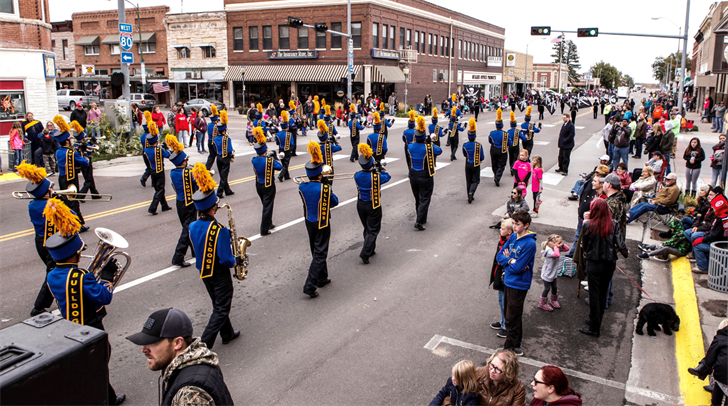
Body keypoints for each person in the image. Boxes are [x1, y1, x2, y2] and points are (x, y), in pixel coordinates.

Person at [43, 198, 125, 406]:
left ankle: (110, 397)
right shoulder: (82, 277)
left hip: (69, 325)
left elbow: (75, 287)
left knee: (88, 365)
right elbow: (104, 296)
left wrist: (91, 277)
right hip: (91, 326)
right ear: (75, 254)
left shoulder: (52, 276)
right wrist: (106, 277)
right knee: (99, 363)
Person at [126, 308, 234, 406]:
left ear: (177, 343)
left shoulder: (190, 394)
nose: (144, 349)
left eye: (152, 343)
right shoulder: (197, 362)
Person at [189, 164, 241, 348]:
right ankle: (203, 345)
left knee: (217, 303)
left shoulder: (192, 226)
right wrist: (237, 261)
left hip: (204, 271)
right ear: (213, 207)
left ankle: (227, 333)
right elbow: (226, 259)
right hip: (219, 273)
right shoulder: (220, 230)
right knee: (221, 307)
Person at [579, 199, 628, 337]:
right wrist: (625, 254)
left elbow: (586, 246)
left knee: (594, 294)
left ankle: (594, 327)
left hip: (594, 262)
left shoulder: (588, 225)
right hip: (609, 263)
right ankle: (596, 320)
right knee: (602, 293)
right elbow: (620, 244)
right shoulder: (613, 224)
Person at [16, 162, 58, 316]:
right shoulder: (51, 205)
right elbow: (73, 219)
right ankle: (39, 307)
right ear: (47, 192)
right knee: (54, 273)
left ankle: (62, 296)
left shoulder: (33, 204)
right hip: (51, 243)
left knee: (57, 271)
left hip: (40, 241)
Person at [299, 141, 339, 298]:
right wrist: (327, 186)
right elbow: (335, 202)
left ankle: (322, 277)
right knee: (320, 253)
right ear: (320, 174)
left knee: (315, 249)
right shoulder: (325, 188)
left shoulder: (301, 187)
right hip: (322, 222)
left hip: (309, 221)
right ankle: (310, 285)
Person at [495, 210, 536, 356]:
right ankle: (516, 344)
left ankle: (509, 348)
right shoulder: (513, 236)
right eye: (513, 223)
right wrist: (510, 261)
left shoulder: (530, 243)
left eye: (517, 224)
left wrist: (509, 263)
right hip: (509, 281)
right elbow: (500, 256)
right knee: (510, 314)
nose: (514, 226)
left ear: (526, 225)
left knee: (512, 317)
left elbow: (519, 268)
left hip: (519, 284)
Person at [354, 143, 391, 264]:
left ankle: (370, 249)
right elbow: (387, 176)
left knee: (367, 228)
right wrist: (381, 168)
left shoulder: (357, 175)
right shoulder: (376, 177)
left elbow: (365, 175)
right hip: (373, 205)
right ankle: (365, 252)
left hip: (360, 204)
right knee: (374, 229)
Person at [53, 115, 89, 232]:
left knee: (67, 201)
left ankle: (74, 223)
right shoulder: (72, 153)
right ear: (67, 141)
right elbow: (84, 163)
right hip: (71, 179)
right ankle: (76, 225)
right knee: (73, 203)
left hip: (62, 178)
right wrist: (84, 156)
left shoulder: (58, 151)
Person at [408, 116, 442, 231]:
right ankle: (419, 220)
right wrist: (430, 142)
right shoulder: (428, 147)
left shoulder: (410, 146)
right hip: (425, 175)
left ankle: (421, 217)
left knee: (418, 198)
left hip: (413, 175)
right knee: (425, 198)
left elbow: (412, 145)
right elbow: (439, 151)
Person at [167, 135, 196, 268]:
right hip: (189, 203)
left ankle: (195, 250)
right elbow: (196, 185)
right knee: (187, 230)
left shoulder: (173, 173)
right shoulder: (188, 173)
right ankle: (178, 256)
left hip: (179, 203)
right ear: (183, 162)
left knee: (188, 229)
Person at [252, 127, 282, 236]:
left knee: (266, 205)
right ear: (265, 150)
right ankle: (264, 229)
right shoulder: (269, 160)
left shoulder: (254, 160)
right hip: (268, 185)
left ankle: (269, 223)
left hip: (258, 185)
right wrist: (275, 157)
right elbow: (279, 167)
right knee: (267, 206)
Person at [692, 187, 728, 274]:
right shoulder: (720, 216)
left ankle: (703, 267)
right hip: (716, 241)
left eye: (714, 206)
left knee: (698, 246)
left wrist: (703, 239)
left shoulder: (721, 219)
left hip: (719, 245)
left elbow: (715, 235)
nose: (712, 208)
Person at [143, 117, 172, 215]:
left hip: (152, 170)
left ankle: (164, 205)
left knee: (158, 189)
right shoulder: (159, 149)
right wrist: (166, 149)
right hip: (159, 170)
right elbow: (168, 155)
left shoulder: (146, 151)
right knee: (160, 189)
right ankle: (153, 207)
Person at [490, 219, 513, 338]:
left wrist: (505, 259)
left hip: (506, 277)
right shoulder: (503, 240)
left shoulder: (509, 243)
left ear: (509, 232)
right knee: (501, 301)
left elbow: (504, 260)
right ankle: (503, 321)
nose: (500, 230)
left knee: (505, 303)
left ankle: (506, 326)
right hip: (500, 274)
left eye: (502, 228)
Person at [69, 120, 100, 201]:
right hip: (86, 162)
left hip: (83, 163)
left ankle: (94, 194)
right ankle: (81, 195)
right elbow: (93, 150)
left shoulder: (77, 144)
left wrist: (92, 142)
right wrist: (95, 143)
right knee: (88, 179)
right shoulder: (83, 145)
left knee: (90, 178)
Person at [539, 235, 568, 311]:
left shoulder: (556, 248)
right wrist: (556, 247)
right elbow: (557, 255)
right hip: (547, 273)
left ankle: (554, 300)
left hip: (553, 273)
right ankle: (542, 303)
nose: (560, 244)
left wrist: (561, 245)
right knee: (547, 288)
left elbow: (567, 249)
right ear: (552, 243)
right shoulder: (549, 250)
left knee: (555, 287)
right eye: (559, 243)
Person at [461, 118, 484, 204]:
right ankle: (472, 192)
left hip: (468, 163)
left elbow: (464, 154)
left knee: (468, 179)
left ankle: (469, 194)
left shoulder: (465, 145)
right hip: (476, 164)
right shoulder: (478, 145)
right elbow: (482, 157)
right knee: (476, 180)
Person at [213, 111, 235, 198]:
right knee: (224, 176)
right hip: (225, 158)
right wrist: (231, 154)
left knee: (223, 175)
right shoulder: (227, 138)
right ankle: (219, 192)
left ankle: (227, 190)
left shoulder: (215, 139)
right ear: (224, 130)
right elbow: (230, 150)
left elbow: (215, 149)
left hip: (218, 157)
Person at [489, 108, 509, 187]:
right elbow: (509, 143)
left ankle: (495, 174)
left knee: (494, 163)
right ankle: (497, 177)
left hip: (493, 149)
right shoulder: (505, 134)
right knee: (502, 165)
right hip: (502, 150)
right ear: (502, 126)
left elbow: (489, 140)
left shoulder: (492, 133)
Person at [274, 110, 294, 182]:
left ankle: (287, 176)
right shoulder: (289, 134)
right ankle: (281, 176)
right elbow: (292, 144)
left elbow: (277, 143)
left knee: (284, 163)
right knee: (286, 164)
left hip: (280, 150)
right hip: (287, 150)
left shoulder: (277, 134)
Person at [506, 110, 523, 175]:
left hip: (510, 146)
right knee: (515, 158)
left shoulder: (508, 131)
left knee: (510, 157)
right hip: (516, 146)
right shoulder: (517, 131)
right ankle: (513, 168)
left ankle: (511, 167)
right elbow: (523, 138)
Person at [205, 106, 220, 170]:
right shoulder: (216, 126)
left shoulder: (209, 125)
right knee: (217, 155)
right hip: (214, 142)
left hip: (209, 141)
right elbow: (218, 134)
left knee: (211, 155)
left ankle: (207, 167)